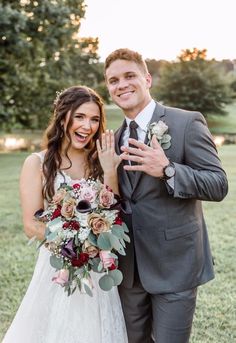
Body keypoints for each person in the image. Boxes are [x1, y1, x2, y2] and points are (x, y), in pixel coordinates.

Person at [104, 48, 228, 343]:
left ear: (147, 79)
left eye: (129, 76)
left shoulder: (186, 123)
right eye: (113, 80)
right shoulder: (113, 138)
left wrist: (168, 170)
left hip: (175, 266)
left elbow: (218, 184)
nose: (121, 84)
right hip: (129, 271)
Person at [3, 85, 128, 343]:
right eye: (80, 117)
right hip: (58, 265)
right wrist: (75, 246)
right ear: (63, 118)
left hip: (96, 268)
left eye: (94, 119)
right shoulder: (37, 163)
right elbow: (30, 224)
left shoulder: (99, 160)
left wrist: (110, 171)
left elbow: (114, 214)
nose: (88, 126)